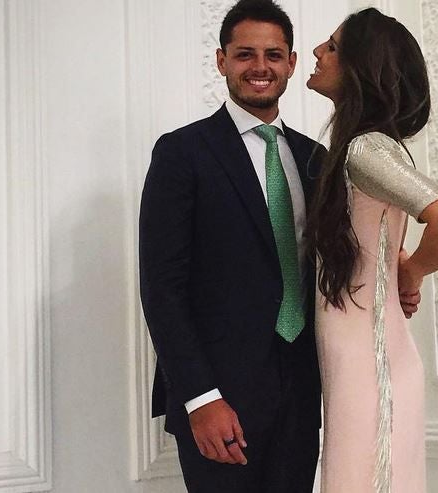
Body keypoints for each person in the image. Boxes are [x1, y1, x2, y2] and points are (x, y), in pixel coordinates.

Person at [138, 1, 324, 491]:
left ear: (291, 63)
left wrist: (403, 273)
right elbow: (162, 287)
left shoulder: (315, 158)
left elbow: (339, 256)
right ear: (221, 60)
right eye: (245, 54)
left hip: (301, 394)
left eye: (273, 55)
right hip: (219, 400)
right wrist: (200, 398)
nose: (260, 66)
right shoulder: (182, 152)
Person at [306, 8, 438, 492]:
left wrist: (414, 270)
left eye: (332, 46)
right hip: (359, 356)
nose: (317, 52)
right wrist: (399, 263)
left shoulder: (366, 150)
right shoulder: (363, 149)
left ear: (360, 67)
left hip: (370, 362)